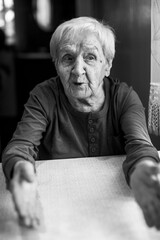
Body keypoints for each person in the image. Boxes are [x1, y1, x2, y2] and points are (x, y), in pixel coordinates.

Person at [1, 16, 160, 229]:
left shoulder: (123, 98)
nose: (78, 69)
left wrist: (144, 176)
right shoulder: (44, 96)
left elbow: (141, 146)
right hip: (56, 204)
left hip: (108, 203)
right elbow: (20, 147)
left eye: (90, 57)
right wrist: (21, 175)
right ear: (56, 64)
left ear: (107, 65)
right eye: (68, 58)